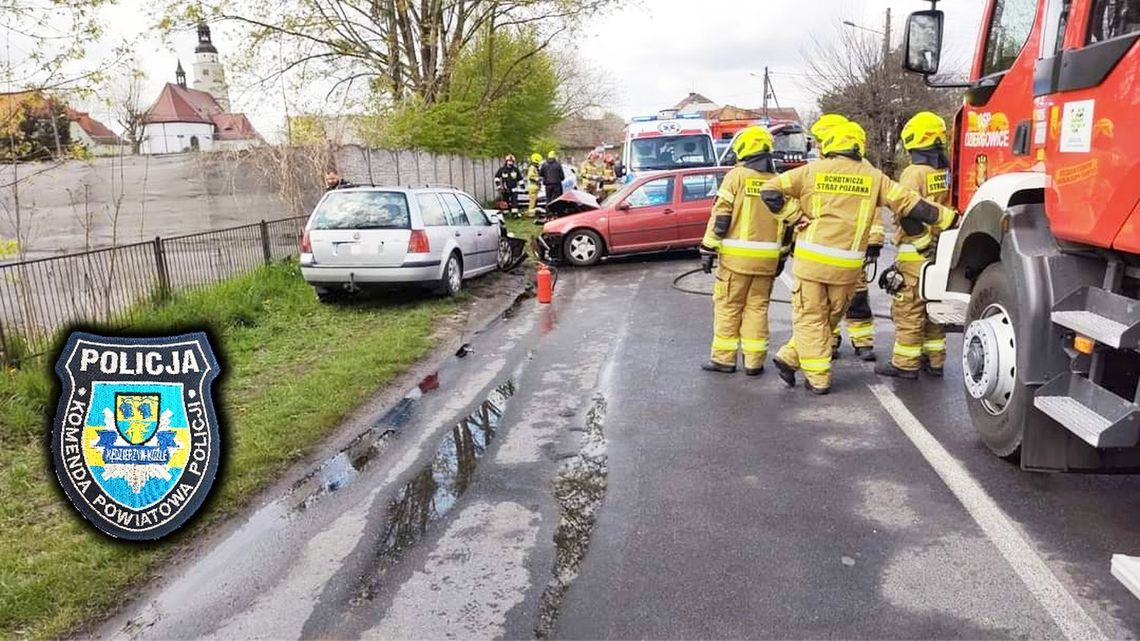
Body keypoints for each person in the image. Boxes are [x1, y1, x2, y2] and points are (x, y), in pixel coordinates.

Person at [759, 121, 957, 395]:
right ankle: (790, 357)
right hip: (848, 267)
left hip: (811, 264)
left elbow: (769, 192)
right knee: (827, 318)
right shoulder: (874, 176)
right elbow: (910, 204)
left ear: (830, 143)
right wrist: (950, 218)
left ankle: (818, 379)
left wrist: (793, 215)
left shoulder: (810, 171)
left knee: (810, 319)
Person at [699, 126, 792, 376]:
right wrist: (782, 255)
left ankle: (724, 359)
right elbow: (787, 225)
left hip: (735, 263)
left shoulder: (736, 176)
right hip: (767, 262)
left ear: (744, 149)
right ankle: (754, 362)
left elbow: (721, 217)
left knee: (729, 307)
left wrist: (707, 247)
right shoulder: (778, 181)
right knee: (757, 309)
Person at [876, 111, 958, 379]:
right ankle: (935, 361)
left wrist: (922, 245)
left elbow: (906, 211)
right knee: (933, 309)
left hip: (916, 251)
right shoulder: (947, 171)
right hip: (942, 250)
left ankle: (905, 364)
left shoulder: (914, 172)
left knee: (908, 308)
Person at [810, 114, 882, 362]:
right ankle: (829, 342)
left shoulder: (864, 168)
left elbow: (876, 208)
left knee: (856, 296)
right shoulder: (818, 167)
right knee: (824, 302)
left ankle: (863, 342)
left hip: (853, 246)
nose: (817, 146)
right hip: (826, 246)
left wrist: (874, 240)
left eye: (820, 140)